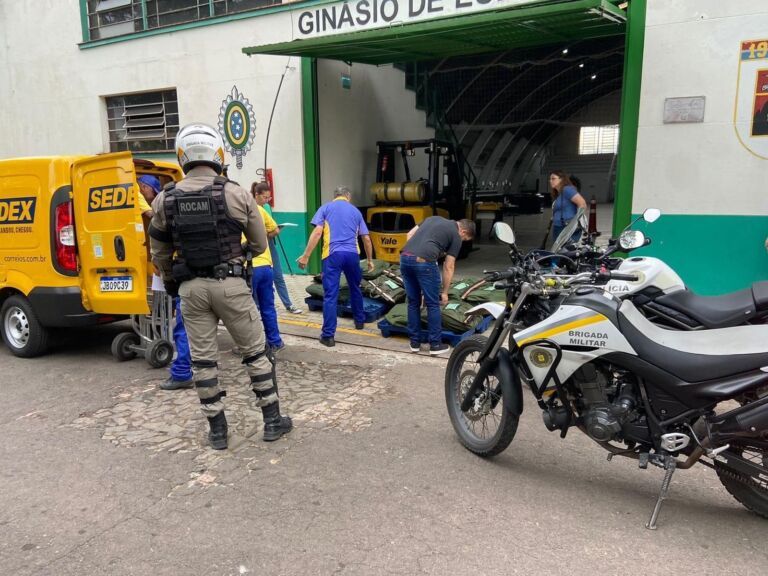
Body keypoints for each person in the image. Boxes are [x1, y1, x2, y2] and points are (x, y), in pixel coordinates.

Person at [149, 123, 292, 449]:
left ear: (183, 155)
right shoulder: (236, 193)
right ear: (217, 154)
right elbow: (259, 244)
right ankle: (272, 422)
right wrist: (236, 255)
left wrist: (172, 280)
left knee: (203, 362)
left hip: (190, 290)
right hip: (230, 286)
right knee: (257, 353)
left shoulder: (164, 199)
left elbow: (158, 251)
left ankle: (217, 431)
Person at [137, 175, 195, 391]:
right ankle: (261, 375)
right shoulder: (225, 194)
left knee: (185, 326)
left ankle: (182, 373)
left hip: (187, 279)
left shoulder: (165, 203)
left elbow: (159, 252)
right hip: (225, 278)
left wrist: (167, 277)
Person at [297, 186, 374, 347]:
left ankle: (328, 336)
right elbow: (366, 238)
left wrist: (306, 256)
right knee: (355, 287)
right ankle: (359, 321)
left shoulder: (325, 208)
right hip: (352, 255)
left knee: (331, 295)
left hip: (332, 255)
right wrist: (369, 259)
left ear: (335, 196)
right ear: (348, 196)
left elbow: (317, 232)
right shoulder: (355, 211)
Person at [400, 216, 475, 355]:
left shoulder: (432, 218)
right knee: (433, 304)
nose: (462, 242)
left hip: (405, 257)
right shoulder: (456, 236)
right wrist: (445, 292)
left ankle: (414, 343)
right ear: (463, 232)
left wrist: (414, 256)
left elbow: (409, 234)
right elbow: (449, 266)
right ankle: (435, 345)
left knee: (413, 302)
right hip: (425, 261)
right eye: (465, 240)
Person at [251, 182, 302, 314]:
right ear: (256, 195)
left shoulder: (266, 207)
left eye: (269, 198)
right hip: (257, 247)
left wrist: (276, 229)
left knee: (278, 275)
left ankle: (288, 304)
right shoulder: (250, 207)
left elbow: (269, 227)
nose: (267, 200)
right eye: (265, 197)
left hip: (270, 244)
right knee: (256, 278)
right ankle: (256, 307)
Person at [246, 186, 285, 353]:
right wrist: (263, 236)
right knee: (268, 306)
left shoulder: (233, 213)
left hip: (248, 268)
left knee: (249, 309)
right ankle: (275, 341)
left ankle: (254, 346)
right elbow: (275, 229)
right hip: (266, 265)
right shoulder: (260, 210)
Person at [549, 170, 587, 242]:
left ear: (561, 179)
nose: (550, 181)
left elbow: (582, 204)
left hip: (566, 227)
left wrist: (573, 224)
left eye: (553, 178)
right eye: (550, 179)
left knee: (565, 251)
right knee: (559, 252)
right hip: (559, 227)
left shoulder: (567, 190)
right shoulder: (559, 193)